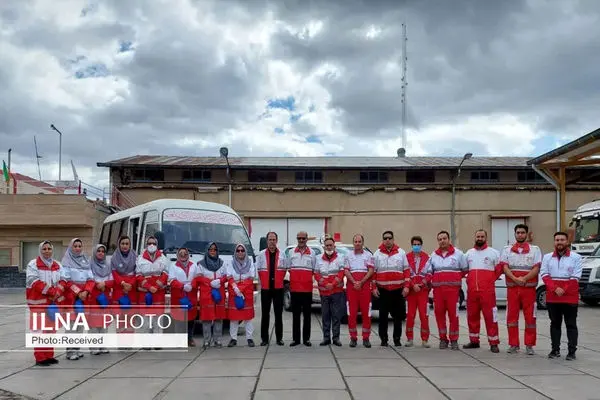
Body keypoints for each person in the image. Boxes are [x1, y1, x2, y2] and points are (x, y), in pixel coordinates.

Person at [497, 224, 542, 355]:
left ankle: (529, 345)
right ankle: (513, 344)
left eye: (522, 232)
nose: (520, 235)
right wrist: (515, 279)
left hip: (529, 290)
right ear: (515, 234)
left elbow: (536, 268)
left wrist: (524, 279)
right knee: (511, 317)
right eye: (518, 232)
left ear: (526, 234)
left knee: (530, 318)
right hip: (513, 289)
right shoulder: (507, 250)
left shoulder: (535, 250)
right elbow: (504, 267)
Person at [541, 231, 583, 361]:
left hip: (569, 296)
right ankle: (555, 350)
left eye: (562, 240)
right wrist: (554, 288)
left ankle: (572, 351)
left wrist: (563, 289)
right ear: (554, 242)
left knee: (571, 324)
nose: (559, 242)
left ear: (567, 241)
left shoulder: (576, 257)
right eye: (557, 240)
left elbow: (576, 276)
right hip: (553, 297)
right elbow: (544, 274)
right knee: (555, 324)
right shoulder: (547, 257)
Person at [25, 241, 65, 366]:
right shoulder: (33, 264)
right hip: (38, 304)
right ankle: (40, 358)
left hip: (53, 303)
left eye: (49, 249)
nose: (47, 251)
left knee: (51, 330)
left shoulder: (57, 265)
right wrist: (52, 291)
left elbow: (64, 279)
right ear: (40, 250)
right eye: (44, 249)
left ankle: (49, 355)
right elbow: (34, 282)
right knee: (39, 331)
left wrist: (59, 290)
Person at [427, 230, 468, 350]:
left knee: (453, 316)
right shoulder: (433, 255)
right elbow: (430, 272)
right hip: (438, 292)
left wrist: (454, 280)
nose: (442, 241)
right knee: (439, 315)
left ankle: (454, 340)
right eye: (439, 239)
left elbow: (465, 270)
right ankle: (443, 339)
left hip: (453, 292)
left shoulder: (459, 254)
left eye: (444, 238)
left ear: (449, 240)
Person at [463, 230, 501, 353]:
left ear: (486, 238)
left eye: (482, 236)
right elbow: (464, 270)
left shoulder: (493, 253)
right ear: (475, 238)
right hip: (472, 292)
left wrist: (489, 281)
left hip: (487, 293)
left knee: (491, 317)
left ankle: (494, 342)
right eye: (478, 236)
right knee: (472, 316)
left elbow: (499, 270)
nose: (480, 238)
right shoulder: (469, 253)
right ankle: (474, 341)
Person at [372, 230, 410, 347]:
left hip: (397, 290)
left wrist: (407, 287)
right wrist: (373, 288)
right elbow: (373, 273)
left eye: (389, 238)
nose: (387, 240)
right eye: (385, 238)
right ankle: (383, 339)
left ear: (393, 239)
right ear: (382, 240)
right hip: (383, 291)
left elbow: (406, 271)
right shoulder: (377, 254)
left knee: (398, 317)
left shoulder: (401, 253)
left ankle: (397, 339)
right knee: (382, 317)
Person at [61, 238, 95, 361]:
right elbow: (66, 281)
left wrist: (86, 291)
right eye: (75, 246)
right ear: (71, 247)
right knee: (71, 325)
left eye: (79, 246)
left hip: (84, 298)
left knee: (80, 324)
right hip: (71, 298)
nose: (77, 248)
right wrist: (78, 292)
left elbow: (91, 279)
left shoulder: (85, 261)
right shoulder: (66, 262)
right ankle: (70, 351)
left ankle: (77, 348)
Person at [255, 232, 287, 346]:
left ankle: (279, 338)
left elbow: (285, 269)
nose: (272, 242)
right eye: (270, 239)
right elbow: (257, 270)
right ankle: (264, 339)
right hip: (266, 289)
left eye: (274, 239)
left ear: (276, 241)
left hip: (278, 288)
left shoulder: (283, 254)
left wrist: (279, 280)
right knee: (265, 314)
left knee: (279, 314)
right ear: (267, 241)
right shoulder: (261, 255)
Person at [136, 236, 169, 345]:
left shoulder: (163, 258)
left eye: (154, 243)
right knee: (145, 319)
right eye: (149, 243)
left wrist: (157, 286)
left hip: (158, 293)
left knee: (158, 319)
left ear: (157, 245)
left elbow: (165, 274)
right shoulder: (140, 258)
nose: (151, 245)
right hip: (145, 294)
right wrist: (149, 287)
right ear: (146, 244)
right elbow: (138, 275)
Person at [344, 233, 375, 348]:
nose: (357, 243)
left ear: (363, 243)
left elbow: (371, 270)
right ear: (353, 243)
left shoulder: (368, 255)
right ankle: (353, 338)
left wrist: (361, 282)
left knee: (367, 313)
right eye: (355, 242)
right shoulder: (348, 255)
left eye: (359, 241)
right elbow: (346, 271)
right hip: (352, 288)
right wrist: (354, 282)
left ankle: (366, 338)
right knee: (351, 314)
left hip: (365, 287)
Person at [287, 231, 317, 347]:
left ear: (306, 239)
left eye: (303, 238)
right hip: (295, 289)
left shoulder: (312, 253)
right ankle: (296, 339)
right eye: (299, 238)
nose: (301, 240)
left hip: (307, 290)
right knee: (295, 316)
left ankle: (306, 339)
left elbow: (314, 269)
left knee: (307, 316)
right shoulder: (291, 253)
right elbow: (289, 268)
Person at [314, 236, 345, 347]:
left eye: (330, 245)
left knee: (336, 316)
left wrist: (333, 284)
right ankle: (326, 338)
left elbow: (342, 272)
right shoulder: (318, 258)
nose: (329, 247)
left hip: (336, 292)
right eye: (327, 245)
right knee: (325, 316)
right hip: (324, 293)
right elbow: (316, 273)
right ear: (324, 247)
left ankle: (336, 338)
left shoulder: (341, 257)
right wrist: (324, 283)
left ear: (334, 246)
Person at [196, 242, 228, 349]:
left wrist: (219, 280)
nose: (213, 252)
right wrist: (209, 282)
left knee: (219, 318)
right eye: (210, 250)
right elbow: (198, 278)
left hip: (219, 293)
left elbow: (226, 276)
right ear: (207, 251)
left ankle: (217, 340)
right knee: (207, 319)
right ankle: (206, 341)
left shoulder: (222, 263)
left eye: (214, 250)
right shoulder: (201, 264)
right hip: (207, 294)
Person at [168, 247, 200, 347]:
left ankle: (189, 339)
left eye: (185, 253)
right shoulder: (173, 266)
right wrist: (182, 286)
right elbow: (171, 280)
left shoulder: (194, 265)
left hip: (191, 294)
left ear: (188, 254)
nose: (183, 255)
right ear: (177, 255)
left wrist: (192, 285)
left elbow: (198, 277)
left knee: (191, 318)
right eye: (180, 254)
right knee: (179, 318)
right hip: (179, 295)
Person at [226, 243, 256, 347]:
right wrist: (235, 287)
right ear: (235, 252)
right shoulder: (231, 263)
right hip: (234, 292)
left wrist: (241, 288)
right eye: (238, 250)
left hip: (246, 292)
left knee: (248, 317)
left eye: (242, 250)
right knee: (234, 318)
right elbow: (229, 276)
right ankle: (233, 338)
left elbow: (251, 277)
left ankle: (249, 338)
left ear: (245, 252)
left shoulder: (250, 262)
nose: (240, 252)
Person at [404, 236, 432, 348]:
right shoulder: (406, 257)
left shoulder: (427, 257)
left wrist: (422, 284)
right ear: (411, 245)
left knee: (424, 315)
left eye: (418, 244)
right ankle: (409, 339)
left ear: (421, 245)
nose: (416, 246)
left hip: (422, 291)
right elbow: (405, 273)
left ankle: (425, 339)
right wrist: (412, 285)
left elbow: (430, 273)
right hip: (411, 292)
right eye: (414, 244)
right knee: (410, 315)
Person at [110, 236, 138, 337]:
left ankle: (129, 341)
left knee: (131, 315)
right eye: (123, 243)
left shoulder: (135, 256)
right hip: (119, 289)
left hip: (131, 289)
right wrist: (123, 283)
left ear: (130, 245)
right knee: (120, 316)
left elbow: (137, 272)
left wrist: (130, 284)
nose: (125, 246)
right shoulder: (114, 257)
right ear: (119, 245)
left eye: (127, 244)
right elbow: (113, 272)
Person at [88, 244, 113, 355]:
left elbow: (112, 280)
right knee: (94, 323)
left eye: (103, 251)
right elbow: (88, 279)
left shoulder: (108, 265)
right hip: (94, 296)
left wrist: (105, 284)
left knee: (104, 322)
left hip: (105, 296)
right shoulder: (89, 265)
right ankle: (94, 347)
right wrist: (98, 284)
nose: (101, 253)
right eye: (98, 251)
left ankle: (103, 345)